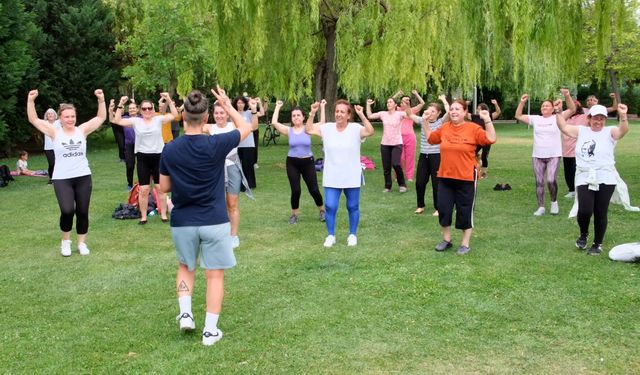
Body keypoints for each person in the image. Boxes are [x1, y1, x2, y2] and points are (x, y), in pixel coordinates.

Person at [159, 86, 253, 346]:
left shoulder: (170, 149)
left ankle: (186, 313)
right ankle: (210, 331)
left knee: (185, 268)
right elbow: (246, 128)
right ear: (206, 117)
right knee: (215, 275)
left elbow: (164, 187)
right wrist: (229, 104)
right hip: (214, 219)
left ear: (183, 116)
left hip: (183, 221)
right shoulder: (216, 143)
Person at [27, 89, 106, 256]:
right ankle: (65, 241)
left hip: (83, 176)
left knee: (83, 211)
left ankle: (81, 243)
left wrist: (101, 100)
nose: (70, 119)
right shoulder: (54, 132)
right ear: (60, 118)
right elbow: (33, 119)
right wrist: (30, 101)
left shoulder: (82, 130)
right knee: (67, 210)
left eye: (72, 116)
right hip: (62, 178)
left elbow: (100, 118)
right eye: (66, 116)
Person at [555, 103, 629, 255]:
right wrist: (558, 111)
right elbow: (563, 127)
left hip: (606, 176)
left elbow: (623, 131)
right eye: (596, 118)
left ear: (605, 120)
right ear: (589, 118)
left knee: (600, 211)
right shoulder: (581, 130)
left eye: (602, 119)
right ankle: (583, 234)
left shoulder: (610, 131)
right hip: (584, 175)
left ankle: (597, 244)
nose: (599, 121)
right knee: (585, 210)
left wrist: (623, 116)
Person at [426, 99, 496, 255]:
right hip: (445, 176)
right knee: (443, 209)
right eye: (451, 109)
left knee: (464, 210)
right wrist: (425, 122)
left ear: (465, 112)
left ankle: (465, 243)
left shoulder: (473, 128)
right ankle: (447, 240)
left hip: (466, 177)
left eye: (458, 109)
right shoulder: (444, 128)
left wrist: (487, 119)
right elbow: (431, 139)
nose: (454, 112)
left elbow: (491, 139)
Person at [306, 99, 374, 247]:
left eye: (342, 112)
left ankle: (352, 235)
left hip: (351, 174)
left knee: (352, 206)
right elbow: (309, 130)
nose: (339, 114)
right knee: (330, 206)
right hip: (332, 175)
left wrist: (362, 115)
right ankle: (331, 235)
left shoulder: (355, 128)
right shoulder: (327, 128)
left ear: (348, 115)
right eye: (337, 111)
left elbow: (370, 131)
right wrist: (312, 112)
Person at [113, 93, 178, 224]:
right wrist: (120, 104)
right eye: (144, 109)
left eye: (149, 108)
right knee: (144, 189)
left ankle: (164, 215)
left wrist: (169, 100)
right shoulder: (136, 121)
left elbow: (175, 115)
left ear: (153, 109)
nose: (147, 111)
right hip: (142, 157)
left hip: (158, 157)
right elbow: (117, 120)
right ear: (140, 110)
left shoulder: (158, 119)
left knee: (161, 188)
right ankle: (143, 217)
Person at [203, 98, 257, 249]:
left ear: (227, 114)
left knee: (232, 204)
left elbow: (252, 126)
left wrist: (252, 109)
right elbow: (189, 125)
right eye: (217, 113)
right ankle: (219, 234)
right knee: (217, 203)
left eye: (222, 113)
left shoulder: (234, 126)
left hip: (232, 166)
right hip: (215, 168)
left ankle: (233, 236)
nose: (219, 115)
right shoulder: (209, 128)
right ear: (213, 114)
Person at [514, 89, 575, 216]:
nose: (544, 107)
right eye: (542, 106)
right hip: (537, 155)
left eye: (547, 105)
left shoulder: (558, 117)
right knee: (539, 182)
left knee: (551, 180)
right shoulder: (536, 119)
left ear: (553, 108)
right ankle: (541, 207)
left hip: (554, 155)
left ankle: (554, 202)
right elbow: (518, 116)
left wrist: (567, 95)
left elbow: (572, 109)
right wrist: (522, 102)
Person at [271, 99, 325, 224]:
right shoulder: (288, 130)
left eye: (298, 115)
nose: (296, 117)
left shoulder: (308, 128)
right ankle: (294, 215)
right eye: (294, 115)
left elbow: (322, 122)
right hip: (292, 163)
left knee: (314, 190)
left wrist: (322, 107)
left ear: (303, 117)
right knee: (296, 190)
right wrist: (278, 107)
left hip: (308, 163)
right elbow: (274, 122)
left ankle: (322, 211)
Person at [407, 95, 450, 216]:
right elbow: (410, 114)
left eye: (433, 111)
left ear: (438, 114)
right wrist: (407, 104)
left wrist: (443, 100)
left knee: (437, 183)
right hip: (424, 156)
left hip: (436, 156)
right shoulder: (422, 120)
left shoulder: (441, 122)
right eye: (429, 110)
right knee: (420, 182)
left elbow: (449, 111)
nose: (430, 113)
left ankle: (438, 207)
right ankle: (420, 206)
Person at [366, 97, 409, 193]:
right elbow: (370, 116)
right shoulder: (383, 114)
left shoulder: (400, 114)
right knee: (386, 167)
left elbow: (410, 115)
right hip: (385, 144)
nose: (388, 103)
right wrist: (368, 105)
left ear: (395, 105)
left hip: (397, 143)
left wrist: (407, 105)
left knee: (396, 164)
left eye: (390, 102)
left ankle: (402, 185)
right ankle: (387, 187)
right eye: (387, 102)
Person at [394, 90, 425, 182]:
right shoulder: (397, 110)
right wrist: (397, 94)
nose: (405, 102)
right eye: (403, 101)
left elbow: (422, 103)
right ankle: (397, 175)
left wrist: (416, 94)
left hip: (410, 137)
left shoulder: (412, 110)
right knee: (400, 158)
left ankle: (409, 176)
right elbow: (391, 101)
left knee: (410, 157)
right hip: (398, 137)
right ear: (400, 103)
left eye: (407, 100)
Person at [233, 95, 262, 189]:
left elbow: (261, 114)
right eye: (238, 103)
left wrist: (258, 104)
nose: (240, 105)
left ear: (245, 104)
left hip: (248, 144)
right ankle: (239, 184)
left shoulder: (249, 113)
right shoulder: (233, 114)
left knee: (248, 165)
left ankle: (250, 184)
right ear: (236, 104)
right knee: (237, 166)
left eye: (242, 102)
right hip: (237, 143)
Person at [561, 100, 588, 198]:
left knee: (578, 171)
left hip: (579, 150)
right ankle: (571, 190)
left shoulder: (585, 116)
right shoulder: (565, 117)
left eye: (575, 105)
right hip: (566, 150)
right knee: (568, 172)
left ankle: (580, 190)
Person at [469, 99, 501, 179]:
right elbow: (464, 114)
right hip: (477, 140)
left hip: (487, 139)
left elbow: (498, 112)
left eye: (479, 109)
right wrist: (465, 105)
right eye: (477, 108)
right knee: (471, 154)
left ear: (484, 110)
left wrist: (496, 104)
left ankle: (484, 173)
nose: (477, 110)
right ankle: (474, 167)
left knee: (484, 156)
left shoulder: (488, 116)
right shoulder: (474, 117)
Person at [42, 108, 60, 184]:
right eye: (48, 114)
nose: (50, 115)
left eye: (51, 113)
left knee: (59, 163)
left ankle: (58, 177)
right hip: (48, 147)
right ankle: (51, 178)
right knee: (52, 163)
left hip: (58, 146)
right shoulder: (44, 123)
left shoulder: (58, 122)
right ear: (46, 116)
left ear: (55, 115)